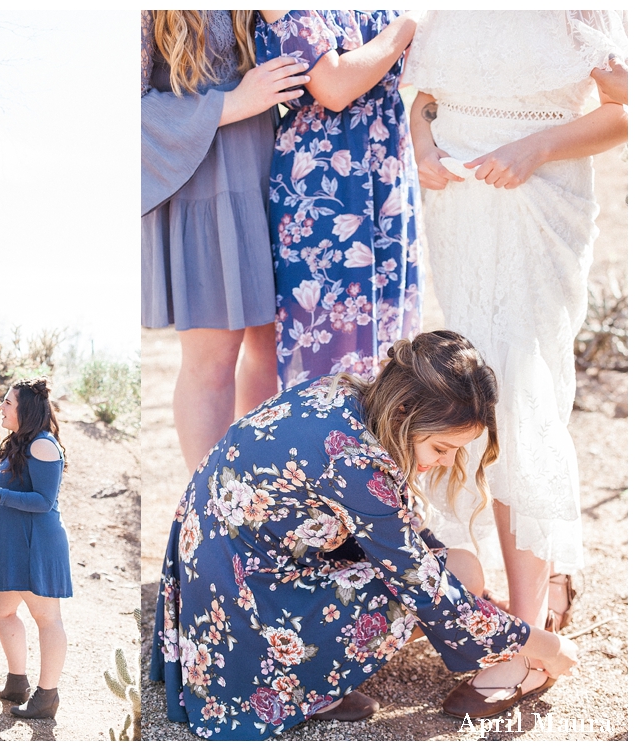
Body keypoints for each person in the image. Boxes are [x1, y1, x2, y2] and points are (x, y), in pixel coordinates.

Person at [150, 332, 579, 739]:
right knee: (460, 573)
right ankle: (302, 687)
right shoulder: (353, 461)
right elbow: (422, 584)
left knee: (457, 573)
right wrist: (544, 646)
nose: (446, 463)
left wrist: (487, 614)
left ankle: (308, 673)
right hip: (247, 616)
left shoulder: (342, 395)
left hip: (218, 582)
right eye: (441, 449)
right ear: (404, 413)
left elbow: (397, 534)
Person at [405, 10, 627, 713]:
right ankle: (518, 597)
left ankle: (523, 642)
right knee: (471, 399)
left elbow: (625, 108)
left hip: (535, 203)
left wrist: (534, 147)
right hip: (458, 211)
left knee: (519, 400)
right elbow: (425, 98)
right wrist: (421, 148)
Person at [142, 10, 310, 472]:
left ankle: (255, 492)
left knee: (273, 347)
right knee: (212, 359)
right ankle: (210, 514)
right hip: (203, 178)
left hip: (273, 168)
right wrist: (233, 103)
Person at [255, 10, 422, 390]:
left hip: (389, 168)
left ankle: (378, 448)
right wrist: (410, 22)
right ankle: (316, 445)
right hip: (324, 178)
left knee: (390, 340)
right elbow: (334, 87)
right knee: (327, 334)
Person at [0, 378, 72, 719]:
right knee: (2, 610)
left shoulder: (43, 445)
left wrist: (1, 496)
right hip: (12, 542)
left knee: (47, 618)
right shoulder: (16, 443)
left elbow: (45, 501)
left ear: (26, 410)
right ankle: (18, 681)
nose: (1, 407)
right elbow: (16, 491)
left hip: (37, 544)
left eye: (8, 403)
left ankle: (47, 697)